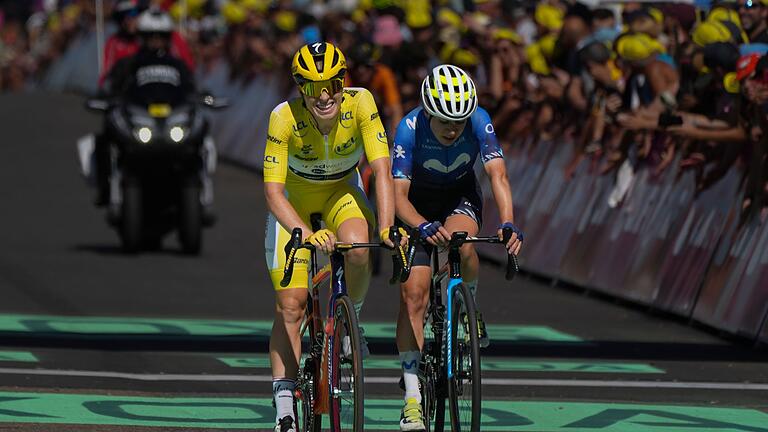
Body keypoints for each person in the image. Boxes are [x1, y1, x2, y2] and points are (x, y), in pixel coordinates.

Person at [263, 42, 405, 432]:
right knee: (291, 307)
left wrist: (388, 226)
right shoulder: (283, 118)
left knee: (359, 248)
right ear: (299, 88)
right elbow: (274, 193)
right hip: (293, 202)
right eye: (312, 87)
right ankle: (285, 408)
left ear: (345, 80)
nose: (324, 96)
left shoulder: (361, 104)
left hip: (342, 192)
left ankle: (350, 321)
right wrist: (305, 235)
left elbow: (381, 165)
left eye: (332, 84)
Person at [391, 64, 523, 431]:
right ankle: (412, 397)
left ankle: (469, 305)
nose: (453, 129)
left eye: (459, 122)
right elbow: (398, 197)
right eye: (445, 122)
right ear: (428, 112)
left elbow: (498, 175)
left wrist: (508, 221)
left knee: (463, 247)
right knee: (412, 295)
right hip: (416, 205)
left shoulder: (479, 121)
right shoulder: (409, 128)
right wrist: (419, 225)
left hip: (459, 198)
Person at [94, 8, 197, 206]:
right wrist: (106, 97)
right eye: (151, 36)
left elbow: (191, 90)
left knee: (200, 136)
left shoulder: (178, 65)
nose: (156, 41)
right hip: (139, 121)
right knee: (105, 138)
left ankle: (200, 189)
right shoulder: (128, 64)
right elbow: (110, 87)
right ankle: (106, 187)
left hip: (171, 124)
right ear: (141, 37)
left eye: (161, 36)